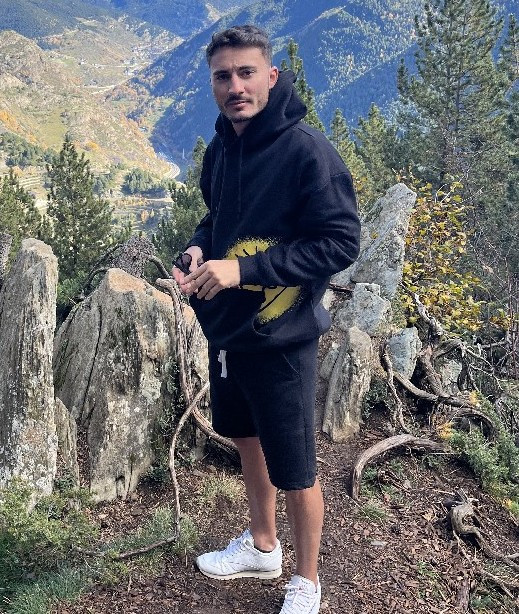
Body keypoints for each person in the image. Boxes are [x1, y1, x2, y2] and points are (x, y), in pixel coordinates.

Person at [171, 25, 360, 614]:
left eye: (246, 72)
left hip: (283, 338)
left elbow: (340, 242)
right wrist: (199, 250)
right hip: (229, 332)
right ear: (212, 84)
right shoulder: (222, 146)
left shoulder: (306, 151)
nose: (235, 86)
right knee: (246, 437)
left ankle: (307, 582)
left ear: (271, 76)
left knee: (296, 466)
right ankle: (262, 545)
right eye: (223, 76)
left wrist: (242, 269)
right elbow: (215, 220)